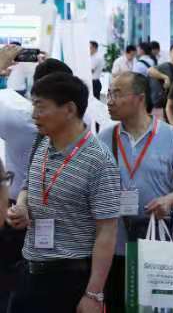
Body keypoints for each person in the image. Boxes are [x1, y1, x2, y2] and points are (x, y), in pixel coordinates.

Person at [6, 73, 120, 313]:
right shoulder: (43, 144)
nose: (34, 114)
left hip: (70, 279)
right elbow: (28, 185)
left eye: (40, 107)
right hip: (29, 271)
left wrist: (94, 294)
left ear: (69, 109)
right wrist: (23, 206)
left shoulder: (99, 160)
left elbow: (107, 230)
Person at [99, 72, 173, 312]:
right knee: (117, 305)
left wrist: (171, 199)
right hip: (115, 243)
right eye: (108, 94)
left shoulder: (170, 136)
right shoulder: (105, 137)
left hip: (156, 241)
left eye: (116, 94)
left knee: (155, 307)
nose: (110, 101)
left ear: (140, 98)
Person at [147, 44, 173, 116]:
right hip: (163, 104)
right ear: (170, 54)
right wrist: (165, 77)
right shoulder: (165, 66)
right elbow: (150, 70)